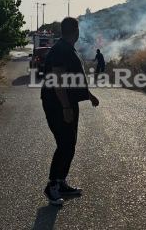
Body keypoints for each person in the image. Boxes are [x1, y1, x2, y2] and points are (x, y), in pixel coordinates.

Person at [41, 17, 99, 206]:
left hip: (65, 103)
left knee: (69, 143)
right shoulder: (60, 50)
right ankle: (52, 187)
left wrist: (89, 95)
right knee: (65, 143)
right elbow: (57, 80)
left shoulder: (66, 48)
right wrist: (66, 107)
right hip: (58, 104)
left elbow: (73, 78)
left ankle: (61, 182)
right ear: (75, 30)